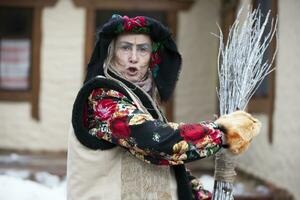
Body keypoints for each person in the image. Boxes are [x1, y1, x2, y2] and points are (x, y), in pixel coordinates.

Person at [67, 15, 260, 200]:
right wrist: (222, 133)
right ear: (111, 53)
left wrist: (199, 195)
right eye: (125, 48)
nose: (133, 57)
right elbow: (155, 141)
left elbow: (171, 167)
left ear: (152, 57)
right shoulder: (103, 97)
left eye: (143, 49)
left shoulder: (140, 100)